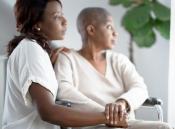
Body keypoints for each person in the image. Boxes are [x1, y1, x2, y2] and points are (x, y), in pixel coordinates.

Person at [2, 1, 121, 129]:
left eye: (62, 14)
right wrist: (107, 117)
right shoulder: (30, 49)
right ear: (37, 24)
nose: (65, 21)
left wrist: (49, 67)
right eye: (57, 16)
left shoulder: (35, 50)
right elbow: (48, 112)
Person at [54, 7, 173, 129]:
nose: (115, 33)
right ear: (91, 30)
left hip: (126, 124)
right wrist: (107, 115)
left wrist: (121, 103)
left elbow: (140, 88)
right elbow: (64, 91)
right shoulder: (67, 57)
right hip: (91, 125)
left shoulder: (119, 60)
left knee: (163, 127)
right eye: (109, 27)